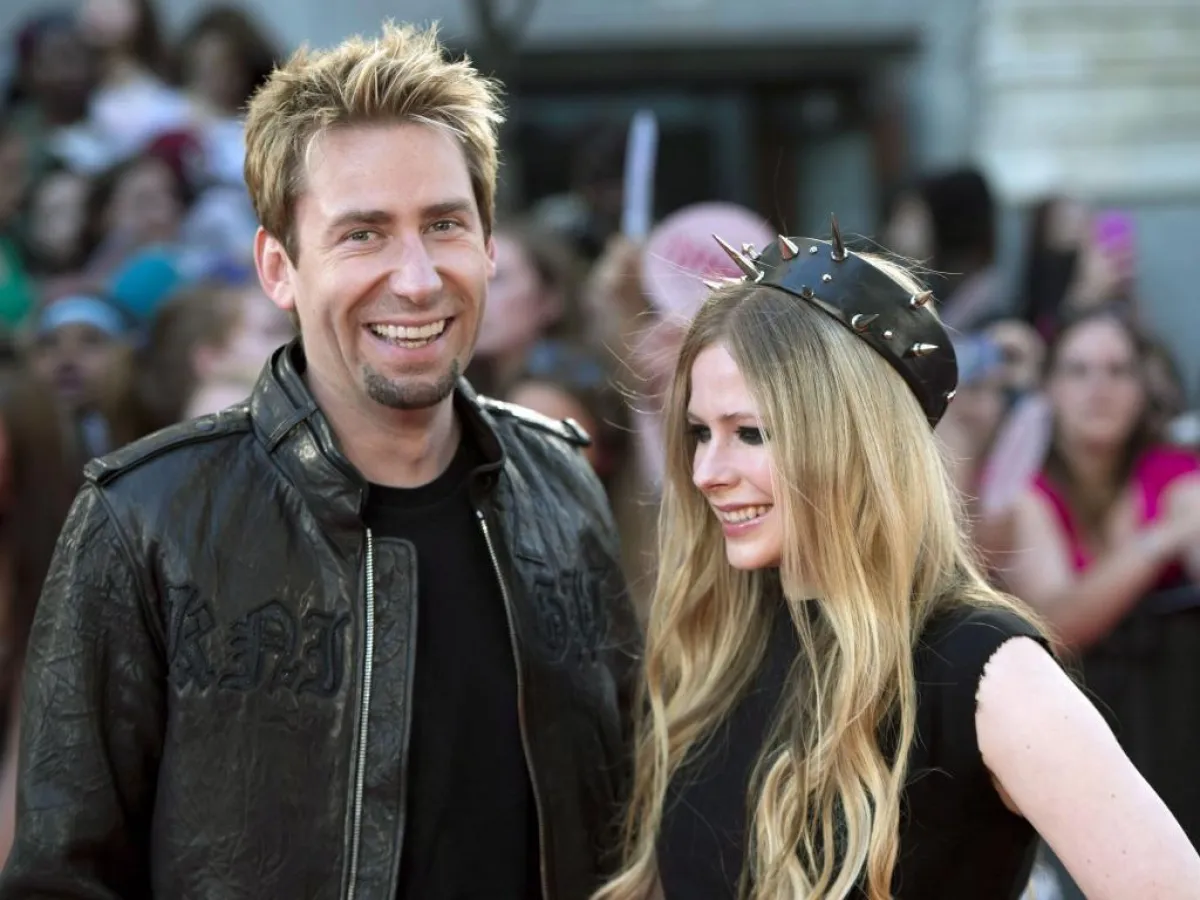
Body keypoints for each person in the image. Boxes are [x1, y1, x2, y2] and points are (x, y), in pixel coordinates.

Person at [0, 23, 639, 900]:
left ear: (489, 247)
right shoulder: (144, 519)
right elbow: (61, 878)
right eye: (363, 234)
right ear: (278, 267)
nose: (416, 279)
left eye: (444, 225)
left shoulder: (563, 486)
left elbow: (623, 825)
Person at [592, 220, 1200, 900]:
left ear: (852, 439)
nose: (707, 471)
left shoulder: (983, 667)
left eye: (750, 433)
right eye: (700, 433)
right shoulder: (721, 647)